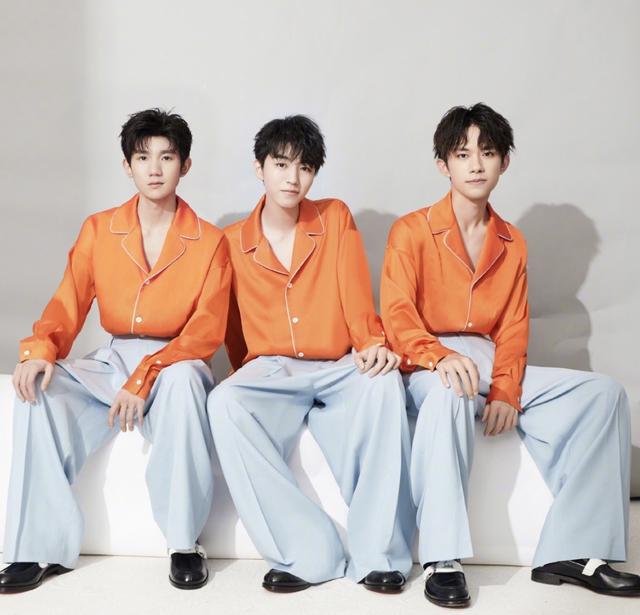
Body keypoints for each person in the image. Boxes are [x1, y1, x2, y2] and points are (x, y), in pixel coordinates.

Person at [380, 103, 640, 607]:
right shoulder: (411, 231)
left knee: (603, 395)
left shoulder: (511, 242)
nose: (476, 164)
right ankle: (442, 558)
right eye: (462, 154)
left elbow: (514, 326)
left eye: (488, 153)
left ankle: (574, 551)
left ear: (504, 162)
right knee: (450, 393)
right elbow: (397, 314)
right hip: (426, 361)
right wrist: (438, 356)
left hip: (485, 359)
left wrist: (505, 389)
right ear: (443, 165)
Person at [0, 108, 231, 593]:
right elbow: (68, 301)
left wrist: (146, 375)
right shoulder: (100, 229)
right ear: (127, 166)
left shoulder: (211, 241)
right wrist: (42, 349)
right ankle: (38, 548)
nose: (154, 169)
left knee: (185, 383)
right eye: (143, 157)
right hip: (113, 360)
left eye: (167, 157)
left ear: (185, 165)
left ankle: (184, 543)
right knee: (40, 390)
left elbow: (206, 330)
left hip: (177, 361)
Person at [207, 115, 414, 593]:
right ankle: (309, 552)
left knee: (385, 384)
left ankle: (379, 556)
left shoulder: (334, 217)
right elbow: (230, 324)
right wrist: (245, 372)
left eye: (304, 167)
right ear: (260, 168)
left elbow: (355, 292)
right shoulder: (232, 242)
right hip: (272, 368)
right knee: (224, 402)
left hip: (339, 365)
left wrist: (372, 342)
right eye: (281, 165)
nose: (292, 178)